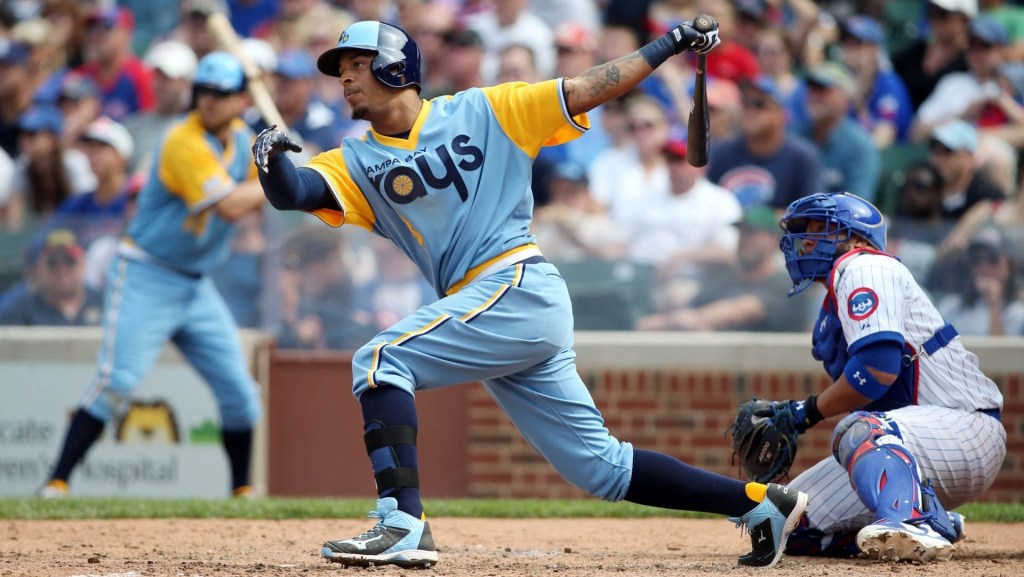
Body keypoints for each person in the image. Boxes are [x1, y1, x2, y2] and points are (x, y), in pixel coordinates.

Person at [252, 18, 809, 570]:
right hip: (492, 307)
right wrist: (273, 161)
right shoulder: (355, 159)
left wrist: (669, 44)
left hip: (516, 283)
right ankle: (761, 504)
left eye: (357, 65)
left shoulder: (486, 109)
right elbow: (294, 191)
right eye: (341, 71)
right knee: (601, 468)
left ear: (396, 68)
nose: (345, 79)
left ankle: (402, 522)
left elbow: (589, 87)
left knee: (380, 360)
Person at [38, 52, 267, 499]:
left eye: (222, 93)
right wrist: (284, 179)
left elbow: (274, 180)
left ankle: (242, 494)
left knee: (241, 395)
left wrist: (287, 162)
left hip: (195, 283)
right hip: (147, 272)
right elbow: (229, 206)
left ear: (242, 99)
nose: (210, 100)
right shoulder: (182, 139)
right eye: (204, 91)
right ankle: (57, 483)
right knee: (118, 381)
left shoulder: (244, 139)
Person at [757, 192, 1005, 562]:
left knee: (858, 428)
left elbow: (876, 369)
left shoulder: (865, 266)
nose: (805, 241)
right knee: (777, 518)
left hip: (965, 428)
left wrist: (803, 413)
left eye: (818, 228)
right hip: (916, 445)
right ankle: (935, 520)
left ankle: (907, 520)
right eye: (802, 231)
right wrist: (800, 414)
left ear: (855, 236)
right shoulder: (838, 292)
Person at [0, 228, 103, 326]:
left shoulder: (104, 304)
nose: (62, 270)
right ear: (39, 268)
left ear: (83, 265)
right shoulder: (20, 310)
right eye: (53, 262)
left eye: (70, 261)